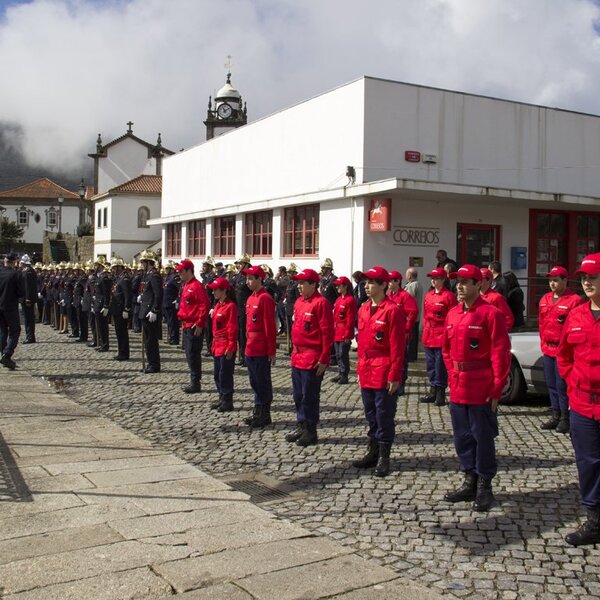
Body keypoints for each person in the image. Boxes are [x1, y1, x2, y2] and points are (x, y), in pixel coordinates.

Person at [442, 264, 511, 512]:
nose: (459, 286)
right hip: (459, 384)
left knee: (482, 437)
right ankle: (469, 478)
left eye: (465, 282)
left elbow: (500, 352)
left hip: (481, 384)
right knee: (462, 436)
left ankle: (484, 484)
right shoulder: (452, 314)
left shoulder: (490, 314)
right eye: (457, 281)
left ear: (478, 284)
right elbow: (446, 350)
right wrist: (452, 373)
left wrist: (496, 387)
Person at [558, 253, 600, 546]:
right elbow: (564, 356)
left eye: (593, 277)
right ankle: (595, 519)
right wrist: (573, 386)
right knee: (588, 463)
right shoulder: (576, 314)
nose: (586, 282)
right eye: (583, 277)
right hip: (583, 405)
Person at [353, 266, 405, 477]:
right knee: (370, 414)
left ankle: (384, 456)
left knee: (384, 415)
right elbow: (363, 344)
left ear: (384, 285)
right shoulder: (363, 308)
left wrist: (395, 375)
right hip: (366, 370)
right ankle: (372, 452)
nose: (367, 286)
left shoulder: (392, 311)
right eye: (366, 282)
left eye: (372, 282)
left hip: (383, 371)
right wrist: (359, 370)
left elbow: (397, 347)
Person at [287, 268, 334, 447]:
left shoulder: (321, 303)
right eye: (298, 283)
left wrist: (324, 359)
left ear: (313, 285)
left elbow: (327, 333)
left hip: (312, 357)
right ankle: (301, 424)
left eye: (302, 283)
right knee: (298, 395)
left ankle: (310, 429)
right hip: (298, 356)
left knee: (309, 396)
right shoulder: (300, 301)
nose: (299, 286)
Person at [538, 266, 584, 432]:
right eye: (550, 280)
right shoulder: (545, 299)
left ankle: (566, 417)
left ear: (565, 280)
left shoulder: (574, 300)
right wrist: (543, 343)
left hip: (563, 350)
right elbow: (541, 323)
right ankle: (555, 414)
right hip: (548, 348)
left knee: (562, 385)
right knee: (550, 383)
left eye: (556, 280)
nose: (552, 283)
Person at [239, 265, 277, 425]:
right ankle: (257, 409)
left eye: (250, 279)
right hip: (251, 346)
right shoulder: (251, 298)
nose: (247, 282)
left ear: (259, 279)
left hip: (261, 347)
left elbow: (269, 326)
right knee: (254, 380)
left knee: (262, 381)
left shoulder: (265, 298)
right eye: (246, 278)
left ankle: (264, 413)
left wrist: (271, 350)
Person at [421, 267, 457, 406]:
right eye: (433, 279)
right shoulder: (429, 295)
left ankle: (440, 392)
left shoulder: (448, 296)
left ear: (443, 280)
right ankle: (432, 391)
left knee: (440, 365)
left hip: (441, 334)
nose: (434, 281)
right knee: (430, 365)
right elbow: (425, 314)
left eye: (436, 278)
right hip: (429, 334)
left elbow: (452, 317)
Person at [176, 258, 210, 392]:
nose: (179, 274)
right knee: (189, 354)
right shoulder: (186, 285)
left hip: (194, 325)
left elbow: (205, 305)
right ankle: (193, 380)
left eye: (181, 271)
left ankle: (195, 382)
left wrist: (200, 323)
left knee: (193, 353)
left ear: (188, 271)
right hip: (186, 324)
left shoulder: (196, 286)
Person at [207, 277, 238, 412]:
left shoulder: (230, 306)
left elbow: (232, 328)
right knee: (217, 374)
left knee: (225, 374)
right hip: (217, 344)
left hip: (225, 344)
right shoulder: (218, 304)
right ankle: (221, 397)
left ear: (224, 290)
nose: (213, 292)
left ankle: (227, 400)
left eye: (215, 290)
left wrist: (231, 346)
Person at [387, 270, 418, 395]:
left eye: (391, 281)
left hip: (401, 333)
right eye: (388, 281)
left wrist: (407, 328)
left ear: (398, 281)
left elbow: (413, 312)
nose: (389, 283)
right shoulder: (389, 296)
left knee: (402, 359)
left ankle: (401, 383)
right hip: (389, 333)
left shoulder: (404, 296)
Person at [139, 250, 163, 373]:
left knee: (151, 341)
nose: (142, 265)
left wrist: (155, 309)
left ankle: (154, 364)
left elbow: (158, 294)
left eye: (143, 262)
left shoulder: (154, 275)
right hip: (145, 310)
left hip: (150, 312)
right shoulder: (147, 275)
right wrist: (142, 297)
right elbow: (147, 291)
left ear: (149, 262)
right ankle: (151, 363)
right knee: (147, 340)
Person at [331, 276, 357, 385]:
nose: (337, 287)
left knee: (343, 354)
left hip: (344, 331)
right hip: (336, 330)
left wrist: (347, 335)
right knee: (337, 354)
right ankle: (340, 372)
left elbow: (350, 319)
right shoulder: (338, 299)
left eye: (339, 285)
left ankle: (344, 374)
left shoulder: (350, 300)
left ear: (345, 286)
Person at [0, 253, 24, 370]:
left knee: (2, 331)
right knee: (15, 330)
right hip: (10, 306)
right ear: (14, 262)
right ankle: (7, 353)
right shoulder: (16, 274)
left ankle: (3, 354)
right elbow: (21, 292)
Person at [110, 258, 132, 361]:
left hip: (121, 308)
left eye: (115, 268)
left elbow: (127, 295)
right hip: (116, 308)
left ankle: (124, 353)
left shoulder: (125, 279)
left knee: (122, 332)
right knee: (119, 332)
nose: (113, 270)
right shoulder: (118, 278)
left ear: (119, 267)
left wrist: (126, 309)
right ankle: (121, 351)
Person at [232, 253, 252, 366]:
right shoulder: (239, 276)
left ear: (246, 264)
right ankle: (242, 356)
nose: (238, 265)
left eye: (240, 263)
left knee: (245, 334)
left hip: (245, 309)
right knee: (240, 334)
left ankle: (246, 357)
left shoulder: (249, 275)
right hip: (238, 309)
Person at [92, 257, 112, 352]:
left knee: (103, 326)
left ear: (100, 266)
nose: (95, 266)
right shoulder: (98, 277)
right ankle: (101, 343)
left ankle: (105, 345)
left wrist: (106, 306)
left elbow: (106, 293)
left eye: (96, 265)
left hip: (102, 305)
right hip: (97, 304)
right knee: (99, 326)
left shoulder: (104, 278)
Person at [404, 267, 423, 361]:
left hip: (411, 316)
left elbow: (408, 299)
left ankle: (410, 356)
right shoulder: (418, 284)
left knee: (411, 337)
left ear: (409, 275)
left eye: (406, 274)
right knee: (414, 336)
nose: (405, 276)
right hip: (417, 315)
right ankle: (413, 355)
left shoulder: (412, 285)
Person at [19, 255, 37, 344]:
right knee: (28, 318)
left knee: (28, 318)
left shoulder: (28, 272)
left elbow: (28, 287)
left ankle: (30, 337)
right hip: (27, 298)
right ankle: (30, 336)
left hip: (27, 299)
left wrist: (27, 298)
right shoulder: (29, 271)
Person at [162, 260, 181, 346]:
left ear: (172, 269)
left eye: (168, 269)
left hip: (172, 302)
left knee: (173, 322)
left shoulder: (175, 277)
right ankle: (171, 336)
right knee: (169, 322)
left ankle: (174, 338)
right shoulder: (167, 277)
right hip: (166, 302)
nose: (166, 270)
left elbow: (181, 289)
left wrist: (178, 299)